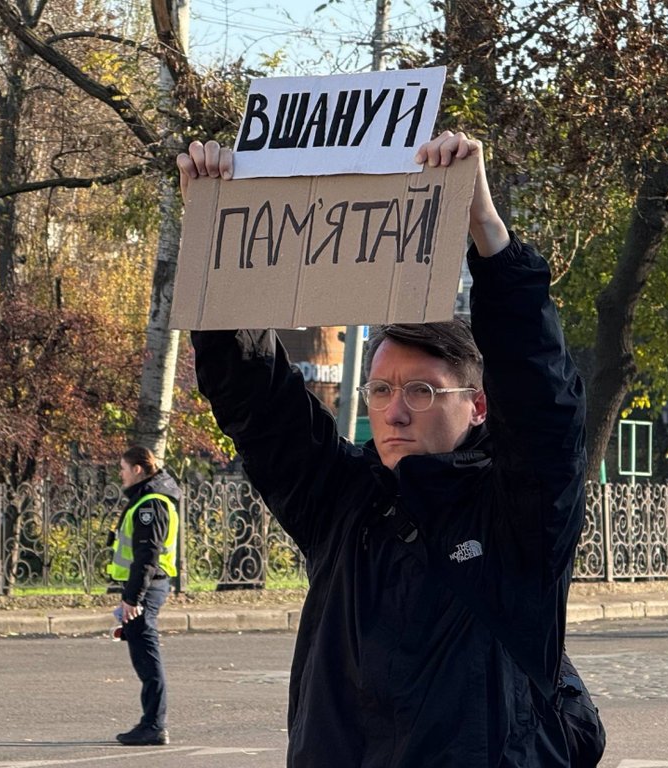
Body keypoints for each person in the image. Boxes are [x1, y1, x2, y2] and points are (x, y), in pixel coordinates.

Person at [178, 133, 587, 767]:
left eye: (422, 391)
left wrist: (485, 225)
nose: (393, 411)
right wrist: (217, 236)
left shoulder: (519, 514)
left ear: (477, 405)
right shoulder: (342, 498)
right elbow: (254, 400)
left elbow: (545, 406)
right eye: (381, 389)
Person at [107, 446, 182, 746]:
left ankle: (153, 724)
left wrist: (132, 599)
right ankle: (151, 722)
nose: (120, 474)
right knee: (142, 651)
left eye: (123, 468)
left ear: (138, 469)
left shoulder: (152, 503)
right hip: (146, 587)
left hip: (148, 587)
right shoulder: (147, 498)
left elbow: (147, 556)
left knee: (147, 653)